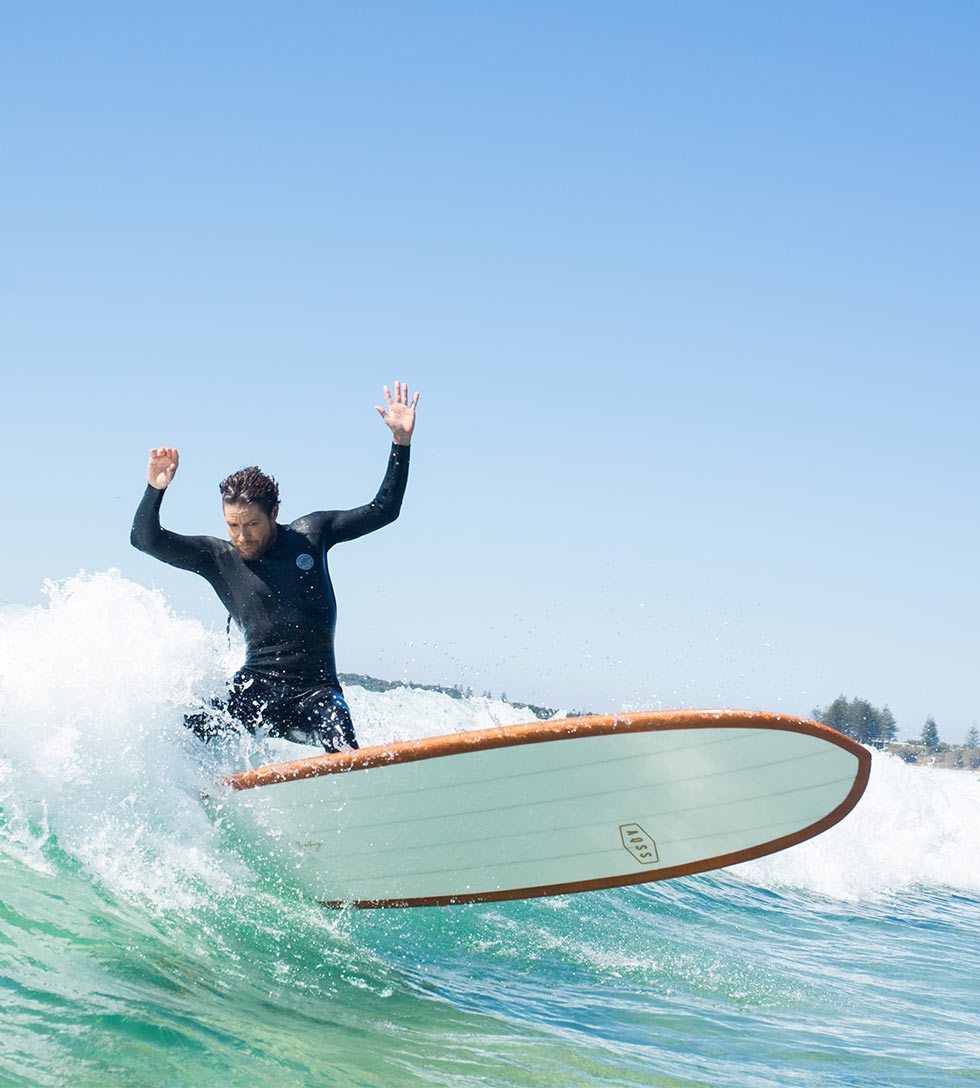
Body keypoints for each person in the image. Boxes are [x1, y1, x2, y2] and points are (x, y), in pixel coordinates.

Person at [131, 382, 419, 751]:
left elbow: (384, 510)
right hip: (257, 687)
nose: (242, 536)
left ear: (275, 514)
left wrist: (401, 444)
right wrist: (155, 489)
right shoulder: (217, 558)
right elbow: (145, 539)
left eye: (251, 525)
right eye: (233, 525)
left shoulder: (311, 535)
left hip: (316, 692)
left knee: (346, 747)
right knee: (188, 730)